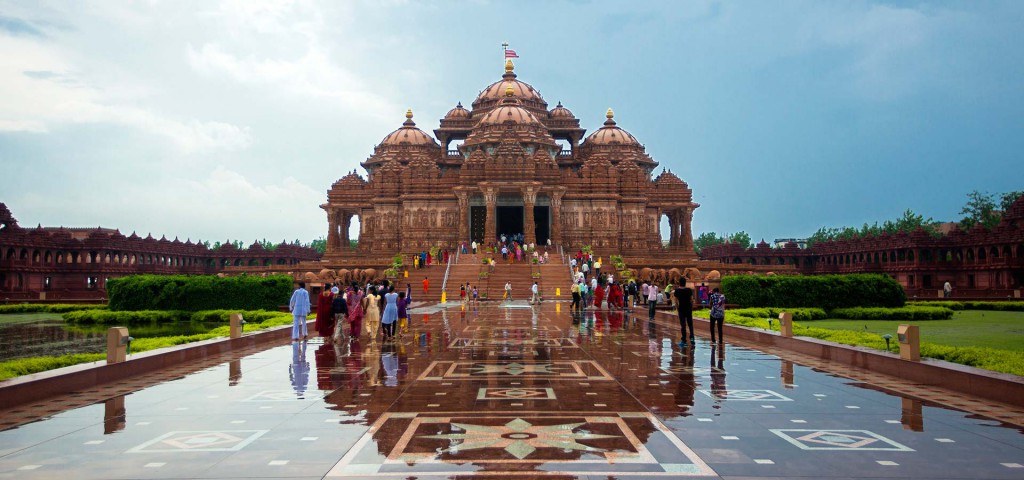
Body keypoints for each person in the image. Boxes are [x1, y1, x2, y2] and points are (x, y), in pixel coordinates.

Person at [673, 281, 694, 345]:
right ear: (685, 283)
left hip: (681, 309)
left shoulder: (677, 291)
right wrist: (691, 307)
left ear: (679, 283)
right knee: (690, 323)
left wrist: (677, 308)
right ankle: (692, 336)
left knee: (683, 324)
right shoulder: (689, 290)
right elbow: (691, 299)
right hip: (688, 308)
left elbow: (676, 301)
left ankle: (684, 339)